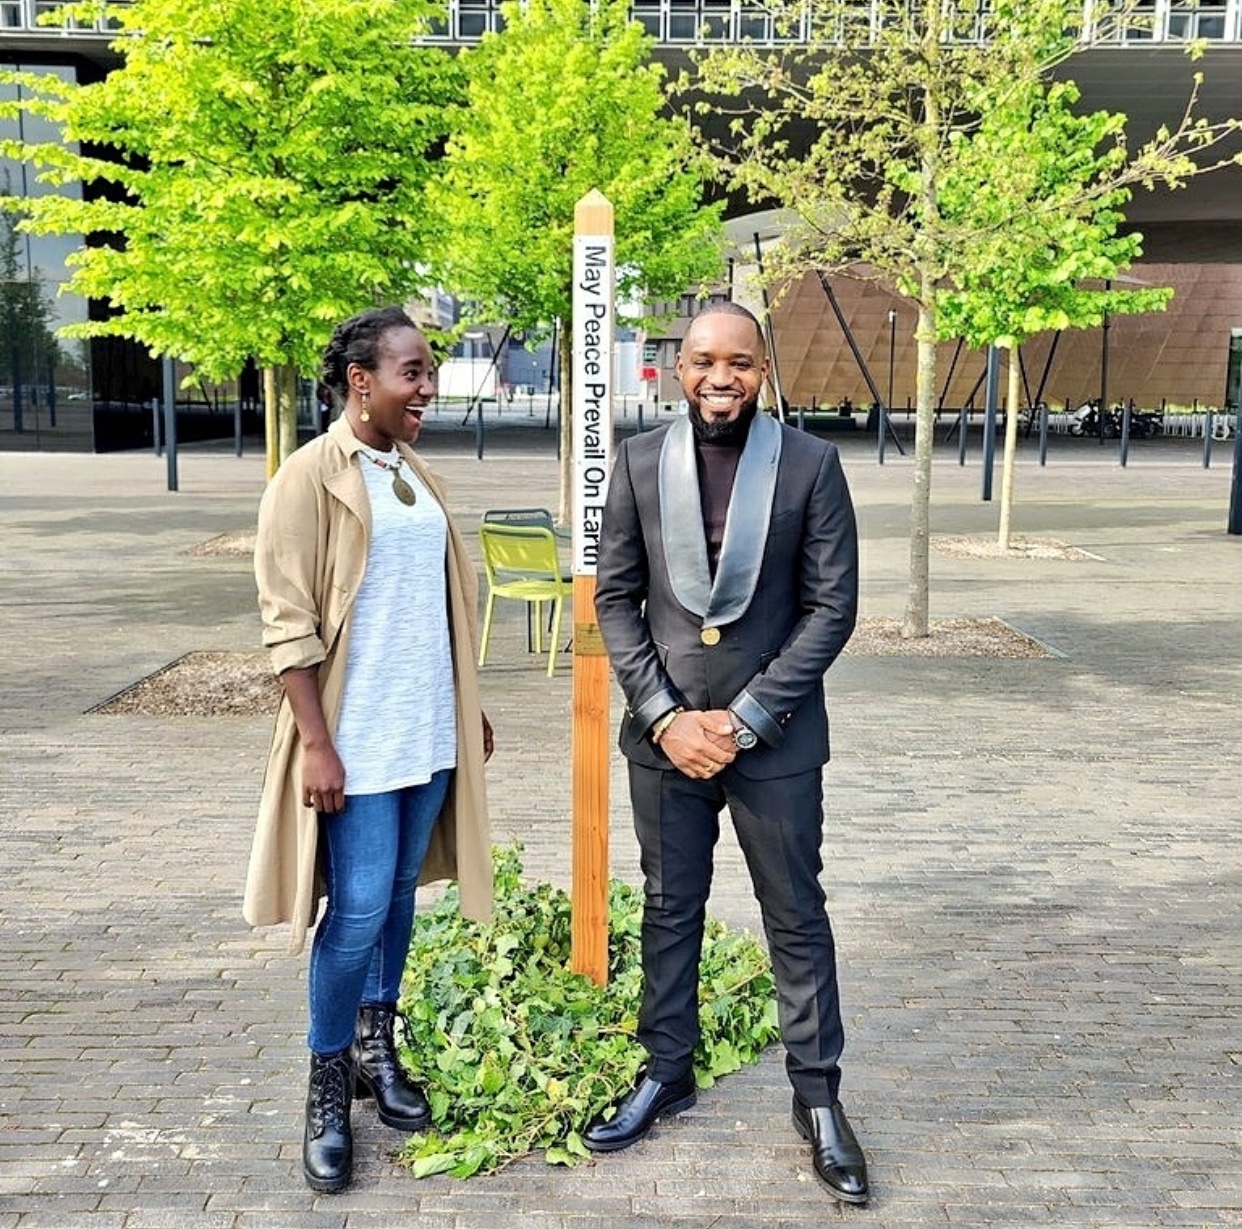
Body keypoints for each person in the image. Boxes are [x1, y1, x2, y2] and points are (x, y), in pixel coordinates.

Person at [588, 302, 868, 1205]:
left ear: (764, 370)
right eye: (705, 360)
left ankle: (818, 1098)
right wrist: (667, 714)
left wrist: (743, 717)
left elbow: (833, 609)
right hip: (663, 738)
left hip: (774, 737)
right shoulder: (637, 465)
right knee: (670, 907)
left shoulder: (813, 465)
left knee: (795, 912)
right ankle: (666, 1069)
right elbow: (615, 600)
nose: (722, 377)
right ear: (678, 368)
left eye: (740, 363)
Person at [243, 305, 494, 1193]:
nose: (427, 387)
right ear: (362, 382)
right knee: (351, 914)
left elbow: (439, 603)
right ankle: (324, 1082)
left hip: (426, 727)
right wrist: (316, 742)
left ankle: (374, 1051)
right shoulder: (308, 478)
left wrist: (471, 710)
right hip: (354, 737)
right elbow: (288, 624)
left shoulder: (411, 469)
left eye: (428, 372)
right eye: (412, 373)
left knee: (396, 900)